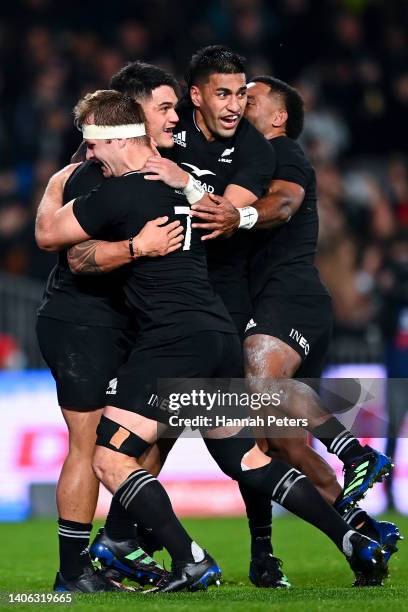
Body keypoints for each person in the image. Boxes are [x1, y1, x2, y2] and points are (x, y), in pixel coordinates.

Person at [39, 88, 390, 593]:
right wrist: (190, 186)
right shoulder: (195, 187)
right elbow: (228, 210)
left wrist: (60, 189)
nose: (89, 158)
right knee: (247, 460)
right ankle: (354, 539)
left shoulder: (118, 192)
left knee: (108, 457)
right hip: (220, 336)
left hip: (172, 343)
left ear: (115, 139)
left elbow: (52, 238)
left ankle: (189, 558)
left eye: (93, 147)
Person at [35, 63, 183, 592]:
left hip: (131, 328)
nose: (175, 117)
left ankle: (119, 542)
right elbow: (72, 253)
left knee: (155, 431)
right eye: (164, 107)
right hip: (81, 324)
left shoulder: (162, 167)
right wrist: (137, 248)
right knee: (87, 444)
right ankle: (72, 574)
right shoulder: (91, 173)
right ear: (134, 113)